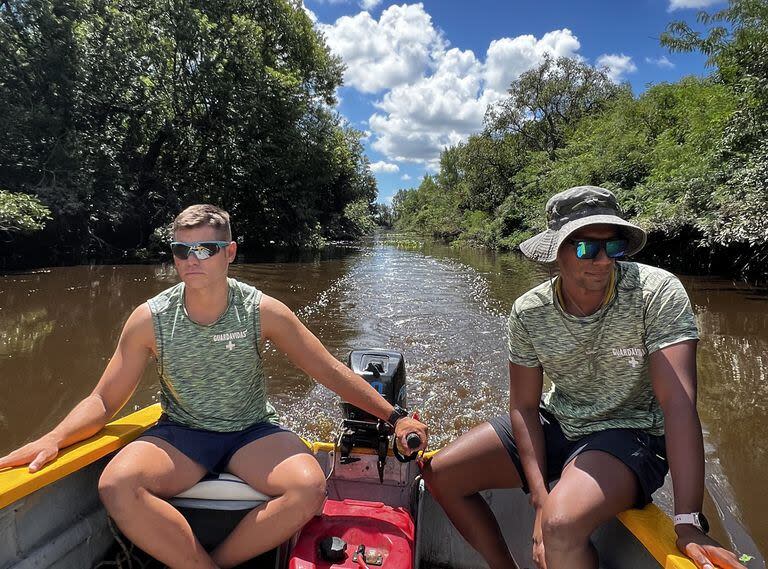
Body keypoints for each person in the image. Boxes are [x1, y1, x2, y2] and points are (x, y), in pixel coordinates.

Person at [0, 204, 429, 569]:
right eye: (181, 250)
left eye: (205, 249)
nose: (192, 260)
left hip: (250, 432)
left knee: (309, 486)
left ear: (230, 253)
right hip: (182, 434)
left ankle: (215, 563)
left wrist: (394, 416)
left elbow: (330, 371)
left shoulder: (262, 311)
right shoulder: (149, 319)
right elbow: (103, 398)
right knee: (116, 485)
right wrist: (56, 436)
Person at [422, 186, 745, 569]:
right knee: (441, 475)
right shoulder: (529, 311)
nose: (603, 260)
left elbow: (678, 403)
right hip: (561, 420)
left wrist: (688, 521)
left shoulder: (656, 292)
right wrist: (539, 496)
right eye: (587, 249)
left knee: (560, 525)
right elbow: (524, 407)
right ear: (555, 253)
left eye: (614, 246)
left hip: (632, 431)